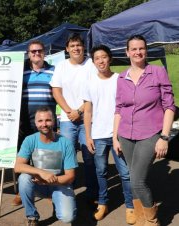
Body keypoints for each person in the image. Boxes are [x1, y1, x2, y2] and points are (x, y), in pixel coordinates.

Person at [113, 35, 175, 226]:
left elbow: (169, 107)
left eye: (141, 48)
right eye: (134, 49)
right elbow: (119, 109)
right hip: (125, 135)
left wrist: (164, 137)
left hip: (150, 133)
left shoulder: (157, 72)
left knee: (138, 181)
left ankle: (151, 220)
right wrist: (115, 137)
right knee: (133, 179)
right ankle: (140, 218)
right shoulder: (122, 77)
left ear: (146, 50)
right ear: (127, 52)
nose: (138, 52)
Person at [82, 45, 135, 224]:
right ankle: (103, 203)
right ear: (93, 61)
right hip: (97, 135)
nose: (101, 61)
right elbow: (87, 112)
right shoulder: (89, 82)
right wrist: (88, 136)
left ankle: (130, 206)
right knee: (101, 171)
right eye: (97, 58)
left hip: (118, 135)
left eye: (104, 57)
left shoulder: (119, 79)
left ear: (110, 59)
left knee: (125, 173)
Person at [50, 33, 99, 205]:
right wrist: (69, 111)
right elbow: (56, 91)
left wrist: (79, 111)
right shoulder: (61, 66)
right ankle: (66, 192)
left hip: (87, 118)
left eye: (78, 45)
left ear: (83, 47)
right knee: (66, 157)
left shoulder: (91, 64)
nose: (76, 48)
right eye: (72, 46)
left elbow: (95, 91)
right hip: (66, 119)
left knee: (89, 157)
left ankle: (92, 193)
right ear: (67, 49)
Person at [14, 106, 77, 226]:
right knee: (23, 178)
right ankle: (32, 216)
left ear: (54, 121)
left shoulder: (65, 143)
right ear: (36, 123)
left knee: (67, 217)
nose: (44, 124)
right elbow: (18, 166)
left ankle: (57, 201)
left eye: (48, 120)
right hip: (38, 184)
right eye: (40, 121)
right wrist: (42, 173)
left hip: (59, 184)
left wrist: (48, 181)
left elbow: (70, 176)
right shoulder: (30, 140)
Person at [12, 40, 56, 206]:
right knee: (23, 158)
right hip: (24, 122)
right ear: (28, 54)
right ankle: (21, 192)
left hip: (47, 122)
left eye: (39, 51)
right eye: (33, 51)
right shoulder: (20, 72)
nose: (36, 54)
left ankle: (48, 189)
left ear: (44, 52)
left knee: (46, 157)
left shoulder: (54, 71)